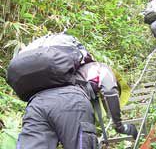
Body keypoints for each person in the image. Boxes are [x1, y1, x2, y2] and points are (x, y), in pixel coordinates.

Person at [9, 34, 137, 149]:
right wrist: (119, 126)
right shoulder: (100, 68)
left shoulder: (66, 71)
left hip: (36, 104)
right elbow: (110, 92)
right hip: (71, 101)